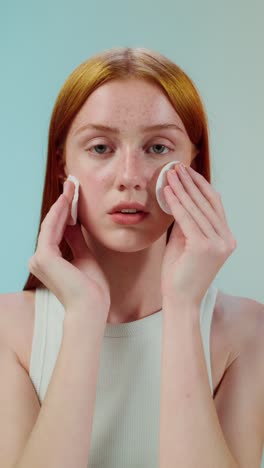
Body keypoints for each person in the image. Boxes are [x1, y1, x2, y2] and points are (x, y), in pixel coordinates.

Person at [0, 46, 263, 468]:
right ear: (60, 163)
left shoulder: (248, 331)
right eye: (101, 148)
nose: (129, 178)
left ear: (194, 162)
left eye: (158, 148)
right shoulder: (8, 330)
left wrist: (182, 307)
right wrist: (85, 316)